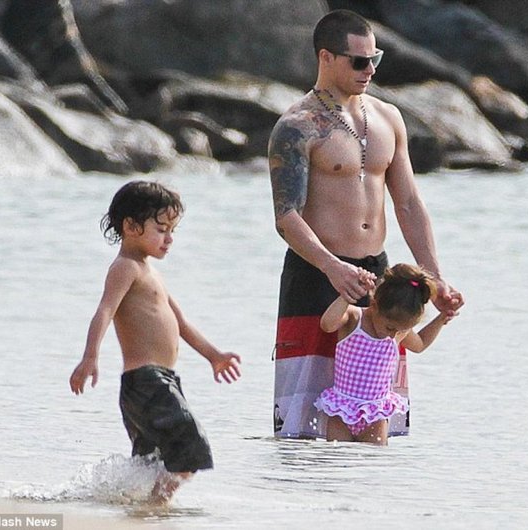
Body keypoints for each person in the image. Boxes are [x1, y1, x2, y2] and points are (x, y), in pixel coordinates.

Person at [268, 9, 464, 439]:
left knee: (376, 415)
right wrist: (331, 267)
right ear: (326, 58)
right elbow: (286, 217)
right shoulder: (297, 127)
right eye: (359, 61)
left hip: (379, 278)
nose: (370, 69)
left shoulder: (388, 117)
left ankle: (369, 488)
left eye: (375, 58)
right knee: (303, 426)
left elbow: (408, 203)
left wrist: (435, 280)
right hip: (316, 274)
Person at [69, 180, 241, 504]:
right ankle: (157, 505)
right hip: (147, 382)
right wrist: (90, 356)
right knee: (190, 447)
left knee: (151, 461)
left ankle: (140, 511)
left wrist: (214, 356)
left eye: (172, 230)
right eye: (161, 229)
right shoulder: (125, 268)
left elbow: (181, 324)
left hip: (158, 382)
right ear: (131, 227)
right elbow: (105, 310)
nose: (169, 238)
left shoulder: (150, 272)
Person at [315, 264, 457, 444]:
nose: (393, 335)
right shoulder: (354, 318)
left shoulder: (398, 331)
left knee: (374, 459)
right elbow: (327, 324)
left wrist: (442, 318)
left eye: (400, 330)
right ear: (374, 305)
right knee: (338, 456)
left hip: (376, 413)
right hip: (342, 410)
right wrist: (347, 295)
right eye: (390, 327)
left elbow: (420, 344)